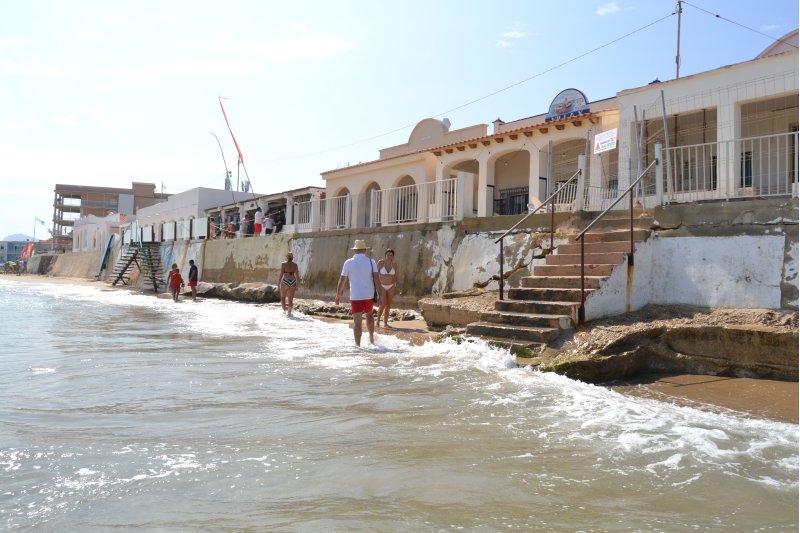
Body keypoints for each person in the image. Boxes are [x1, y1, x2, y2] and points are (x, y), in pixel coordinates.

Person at [335, 239, 382, 346]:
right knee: (369, 315)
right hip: (369, 294)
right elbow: (376, 279)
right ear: (365, 250)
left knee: (357, 322)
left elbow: (342, 280)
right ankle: (371, 338)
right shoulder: (371, 261)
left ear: (355, 251)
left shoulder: (348, 262)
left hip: (356, 296)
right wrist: (380, 295)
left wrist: (338, 294)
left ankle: (358, 346)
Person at [376, 248, 401, 328]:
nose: (389, 256)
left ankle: (385, 323)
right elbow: (375, 274)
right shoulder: (380, 263)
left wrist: (398, 286)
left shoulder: (395, 265)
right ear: (385, 255)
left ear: (393, 256)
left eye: (391, 255)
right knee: (382, 304)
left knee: (388, 304)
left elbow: (396, 276)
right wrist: (382, 277)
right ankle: (377, 321)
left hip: (391, 286)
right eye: (388, 255)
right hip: (382, 285)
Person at [279, 251, 299, 316]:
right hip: (293, 281)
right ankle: (289, 313)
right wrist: (297, 285)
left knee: (283, 297)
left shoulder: (283, 264)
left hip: (285, 281)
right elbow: (297, 276)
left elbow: (281, 274)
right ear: (292, 257)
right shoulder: (295, 265)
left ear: (287, 257)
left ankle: (284, 312)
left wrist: (279, 283)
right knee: (290, 299)